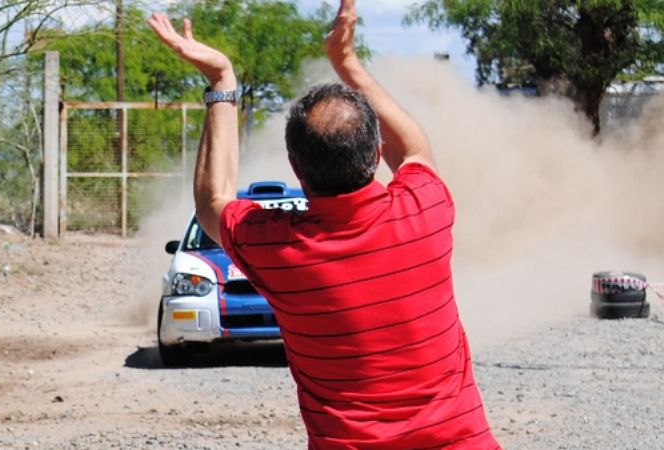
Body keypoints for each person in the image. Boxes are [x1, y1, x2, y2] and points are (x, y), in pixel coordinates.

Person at [148, 1, 501, 448]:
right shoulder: (424, 210)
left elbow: (213, 201)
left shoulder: (277, 249)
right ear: (376, 154)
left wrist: (222, 82)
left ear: (295, 167)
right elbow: (415, 151)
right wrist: (347, 61)